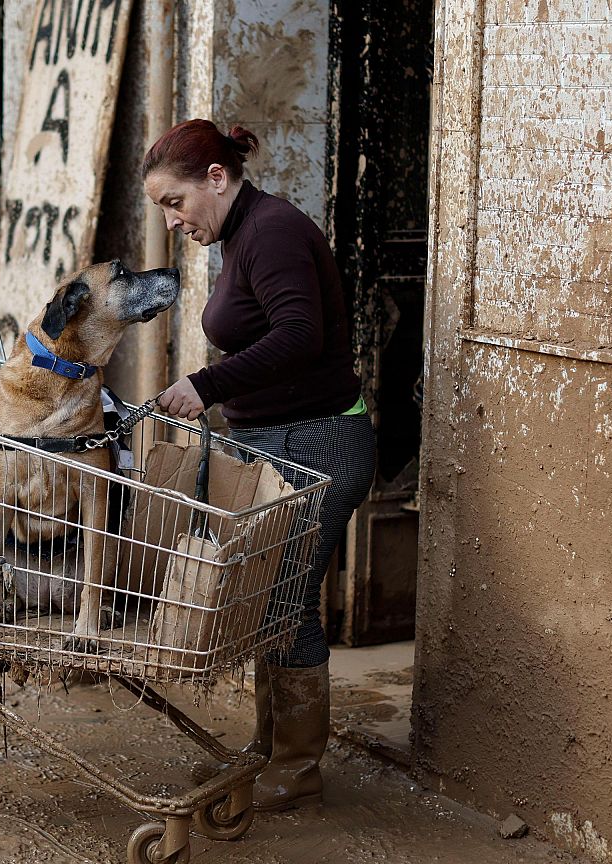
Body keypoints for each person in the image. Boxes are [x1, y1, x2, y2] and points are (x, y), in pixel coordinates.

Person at [142, 119, 376, 812]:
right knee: (266, 599)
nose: (171, 221)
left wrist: (206, 385)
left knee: (283, 600)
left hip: (318, 441)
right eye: (162, 208)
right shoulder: (243, 235)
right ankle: (267, 749)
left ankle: (298, 764)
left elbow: (301, 335)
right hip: (280, 440)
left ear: (217, 178)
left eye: (175, 202)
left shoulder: (271, 231)